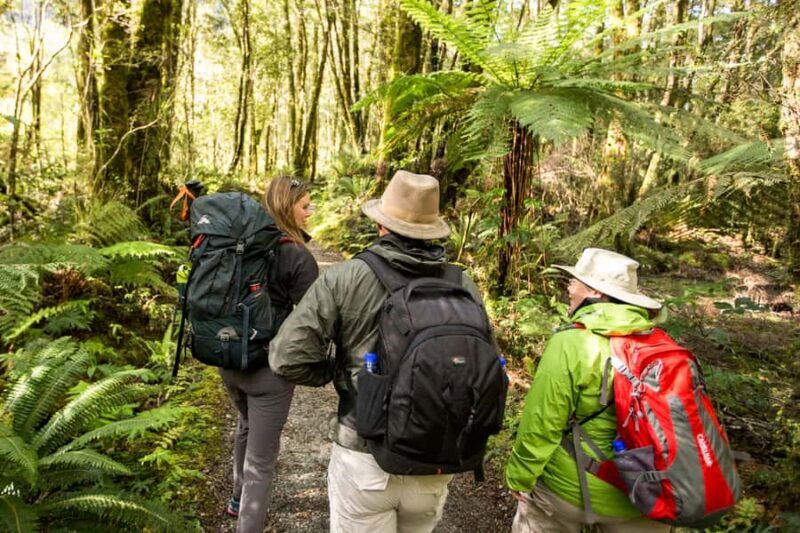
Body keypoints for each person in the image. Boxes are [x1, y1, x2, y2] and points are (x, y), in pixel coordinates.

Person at [269, 170, 491, 532]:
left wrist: (333, 370)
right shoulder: (463, 285)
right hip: (436, 461)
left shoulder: (345, 277)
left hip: (363, 456)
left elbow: (285, 357)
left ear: (381, 226)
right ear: (433, 230)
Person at [505, 248, 672, 533]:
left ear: (595, 293)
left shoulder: (571, 343)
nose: (568, 288)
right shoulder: (661, 344)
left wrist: (519, 478)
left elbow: (542, 423)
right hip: (646, 495)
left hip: (570, 491)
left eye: (574, 281)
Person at [220, 176, 318, 533]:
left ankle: (236, 497)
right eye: (305, 205)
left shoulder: (237, 244)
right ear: (285, 206)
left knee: (246, 424)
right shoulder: (296, 254)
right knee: (262, 463)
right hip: (267, 370)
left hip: (228, 358)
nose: (310, 212)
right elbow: (311, 320)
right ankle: (247, 521)